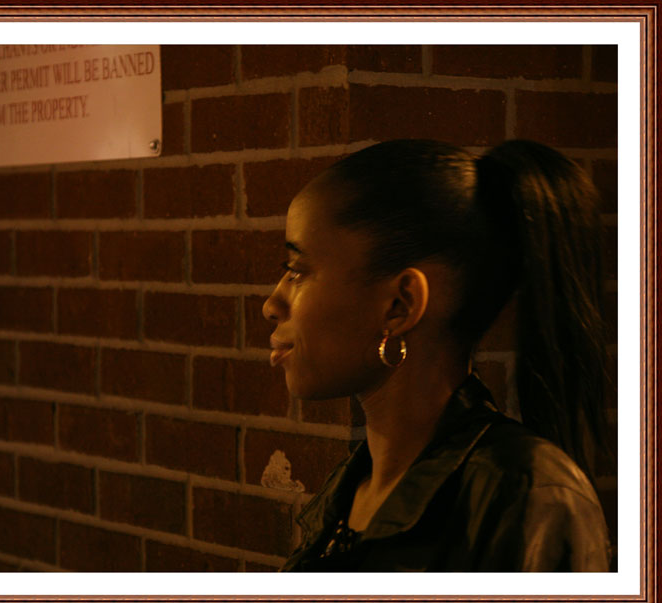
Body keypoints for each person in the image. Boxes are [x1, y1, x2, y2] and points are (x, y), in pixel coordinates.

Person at [262, 139, 612, 572]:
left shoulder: (528, 494)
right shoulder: (350, 489)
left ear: (400, 305)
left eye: (297, 271)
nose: (272, 305)